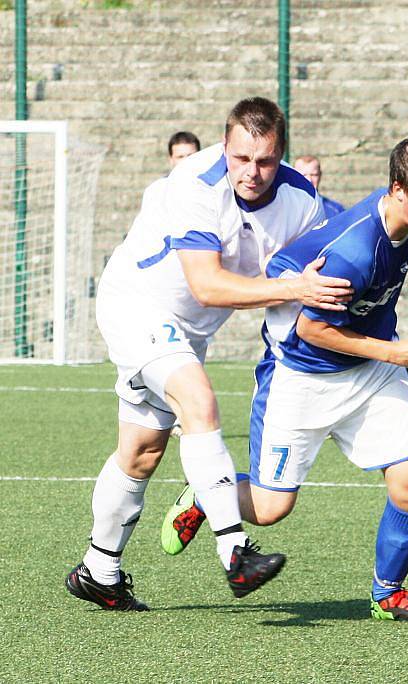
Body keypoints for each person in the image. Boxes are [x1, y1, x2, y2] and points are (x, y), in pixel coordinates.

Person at [162, 130, 408, 622]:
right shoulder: (353, 252)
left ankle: (387, 591)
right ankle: (210, 489)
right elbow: (313, 330)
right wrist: (394, 352)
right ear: (397, 191)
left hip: (369, 370)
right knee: (270, 509)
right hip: (302, 375)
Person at [65, 97, 354, 611]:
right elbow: (207, 285)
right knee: (200, 402)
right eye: (241, 158)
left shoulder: (301, 199)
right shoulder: (194, 184)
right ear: (225, 147)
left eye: (265, 161)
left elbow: (346, 243)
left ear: (281, 154)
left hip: (188, 330)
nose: (252, 172)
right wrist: (295, 289)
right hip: (137, 304)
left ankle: (98, 570)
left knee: (142, 451)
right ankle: (235, 552)